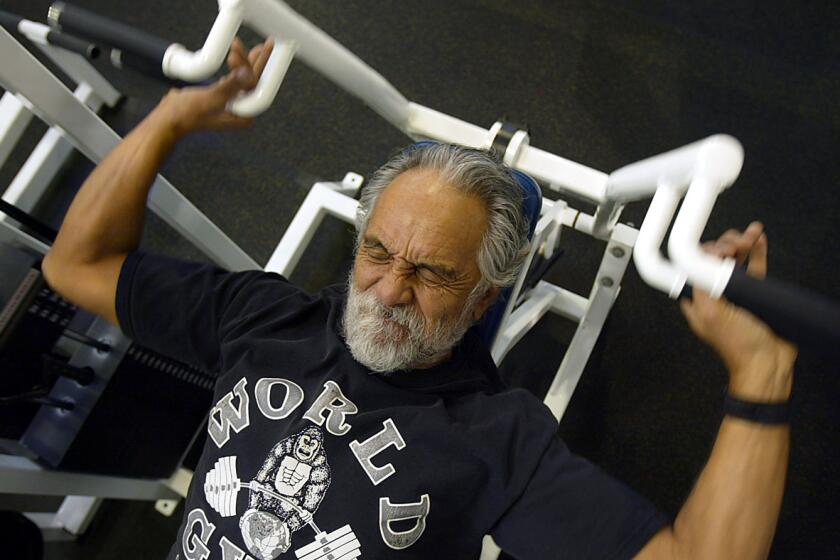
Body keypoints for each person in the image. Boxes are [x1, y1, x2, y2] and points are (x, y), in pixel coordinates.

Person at [42, 38, 796, 560]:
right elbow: (76, 267)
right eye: (376, 251)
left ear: (483, 300)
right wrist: (173, 116)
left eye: (433, 274)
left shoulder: (490, 439)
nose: (389, 291)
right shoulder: (263, 318)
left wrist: (761, 371)